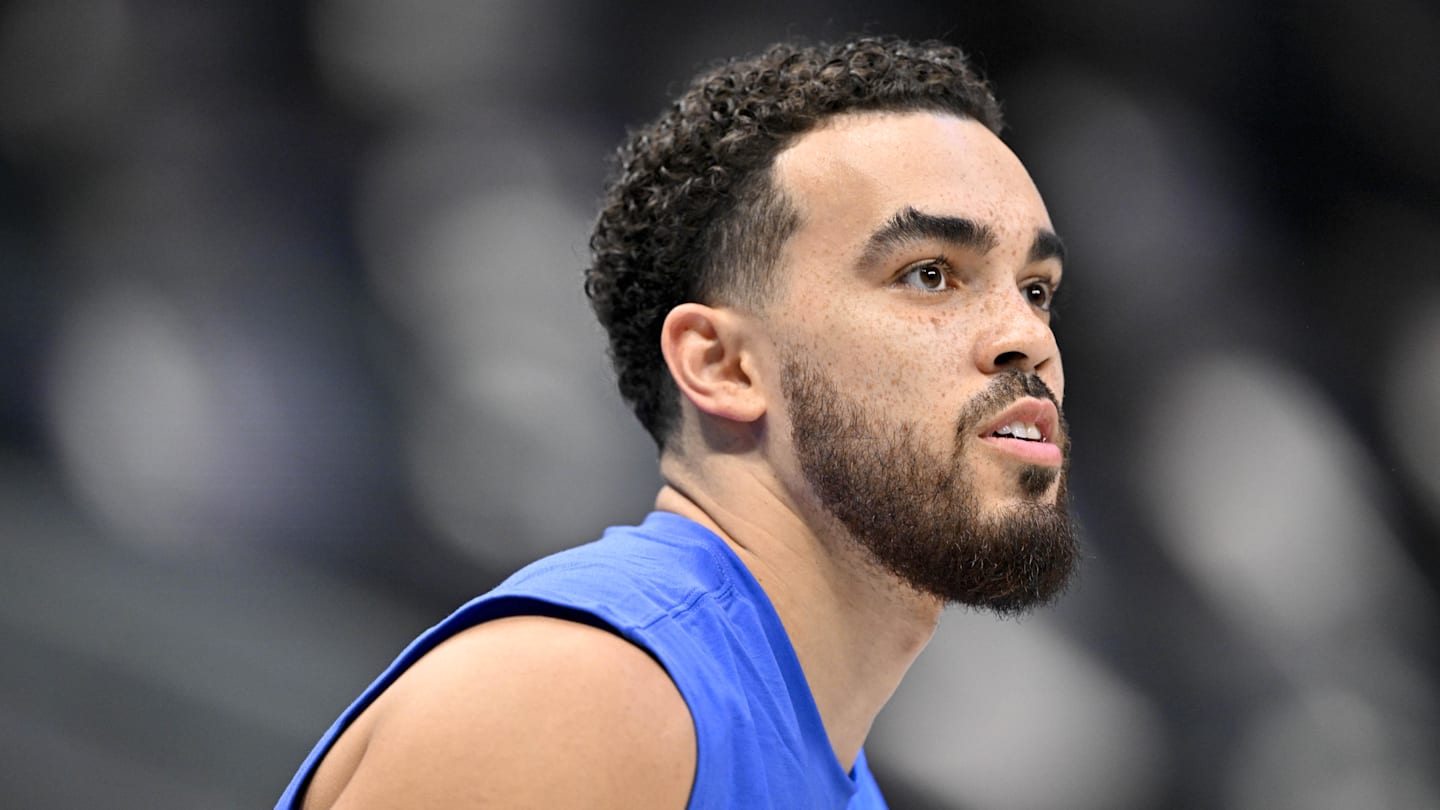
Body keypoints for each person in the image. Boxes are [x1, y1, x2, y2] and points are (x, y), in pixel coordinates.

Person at [279, 34, 1078, 809]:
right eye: (930, 274)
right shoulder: (584, 694)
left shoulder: (787, 746)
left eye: (1036, 289)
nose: (1028, 337)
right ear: (724, 365)